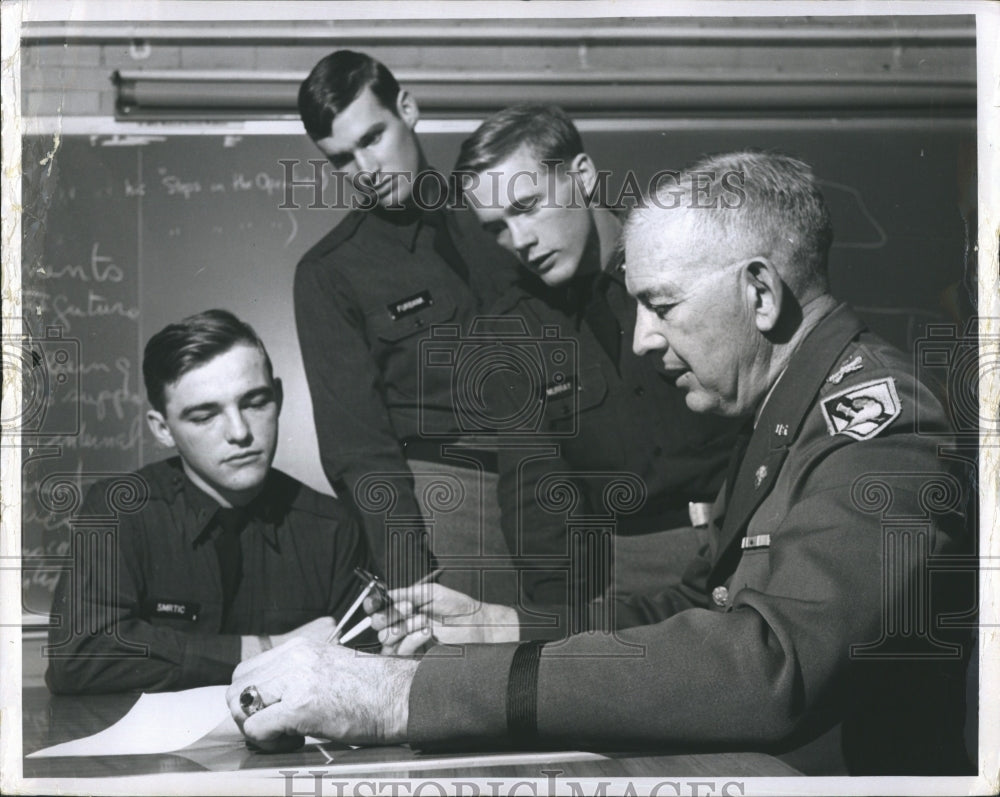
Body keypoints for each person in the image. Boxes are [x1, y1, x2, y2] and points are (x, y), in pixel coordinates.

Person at [226, 153, 971, 774]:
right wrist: (505, 627)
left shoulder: (881, 423)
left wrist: (408, 694)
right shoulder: (782, 413)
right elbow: (692, 608)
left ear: (760, 292)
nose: (642, 339)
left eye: (663, 305)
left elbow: (768, 667)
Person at [451, 105, 740, 610]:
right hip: (633, 571)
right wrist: (557, 630)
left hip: (750, 536)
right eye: (496, 227)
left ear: (582, 176)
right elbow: (537, 498)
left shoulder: (694, 258)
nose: (519, 241)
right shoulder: (510, 333)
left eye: (527, 206)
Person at [46, 310, 376, 694]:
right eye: (205, 416)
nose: (239, 432)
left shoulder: (335, 528)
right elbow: (78, 656)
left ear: (279, 398)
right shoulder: (118, 511)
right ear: (163, 429)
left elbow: (363, 672)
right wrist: (269, 649)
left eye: (255, 403)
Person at [293, 51, 520, 590]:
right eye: (342, 159)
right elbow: (358, 451)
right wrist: (412, 578)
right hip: (455, 504)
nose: (366, 170)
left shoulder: (511, 214)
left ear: (408, 109)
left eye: (372, 138)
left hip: (569, 486)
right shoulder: (331, 273)